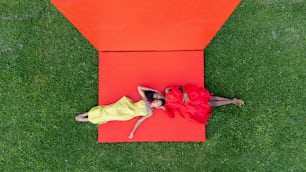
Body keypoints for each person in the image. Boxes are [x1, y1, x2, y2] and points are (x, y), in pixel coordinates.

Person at [75, 86, 165, 138]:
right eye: (157, 101)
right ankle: (86, 114)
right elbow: (139, 88)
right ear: (154, 100)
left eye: (158, 104)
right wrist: (154, 90)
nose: (156, 102)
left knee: (107, 117)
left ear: (158, 107)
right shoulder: (146, 100)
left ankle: (86, 120)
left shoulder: (150, 112)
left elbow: (139, 121)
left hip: (126, 115)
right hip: (124, 106)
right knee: (106, 109)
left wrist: (132, 132)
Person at [164, 84, 244, 124]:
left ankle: (232, 101)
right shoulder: (165, 105)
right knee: (211, 103)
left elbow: (180, 87)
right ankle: (232, 101)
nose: (158, 97)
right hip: (188, 106)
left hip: (191, 96)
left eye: (157, 95)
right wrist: (163, 108)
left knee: (210, 98)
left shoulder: (167, 91)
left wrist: (185, 94)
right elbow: (171, 115)